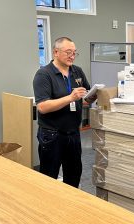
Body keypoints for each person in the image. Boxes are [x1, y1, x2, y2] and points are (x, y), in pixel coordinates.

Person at [33, 37, 95, 188]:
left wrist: (93, 95)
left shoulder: (77, 71)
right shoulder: (43, 75)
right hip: (52, 135)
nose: (72, 56)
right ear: (55, 52)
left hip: (73, 133)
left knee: (74, 174)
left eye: (74, 53)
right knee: (49, 177)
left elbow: (85, 97)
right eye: (68, 52)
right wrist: (70, 97)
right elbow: (42, 107)